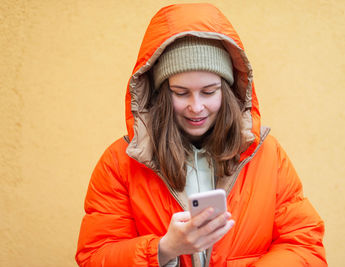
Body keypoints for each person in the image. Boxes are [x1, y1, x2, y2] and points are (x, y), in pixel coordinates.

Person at [75, 3, 327, 267]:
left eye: (209, 91)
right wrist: (164, 249)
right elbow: (94, 256)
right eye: (181, 92)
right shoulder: (121, 162)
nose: (196, 107)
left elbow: (304, 245)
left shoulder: (267, 155)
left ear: (227, 91)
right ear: (161, 93)